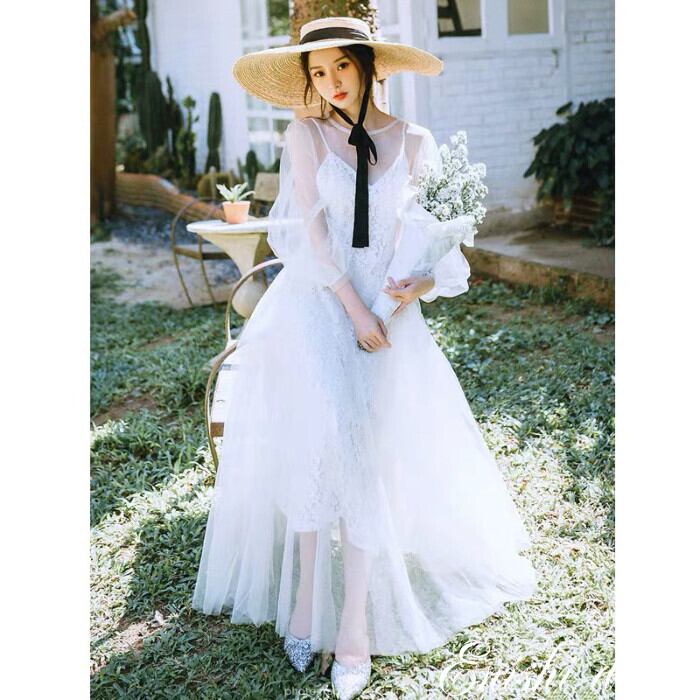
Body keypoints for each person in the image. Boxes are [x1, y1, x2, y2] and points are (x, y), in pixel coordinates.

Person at [191, 16, 538, 700]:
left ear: (368, 65)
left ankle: (352, 623)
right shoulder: (305, 134)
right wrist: (355, 310)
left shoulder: (416, 141)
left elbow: (442, 248)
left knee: (368, 456)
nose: (331, 84)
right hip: (320, 306)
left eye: (341, 67)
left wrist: (415, 288)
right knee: (321, 444)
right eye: (318, 73)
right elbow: (310, 237)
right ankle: (304, 602)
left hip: (391, 320)